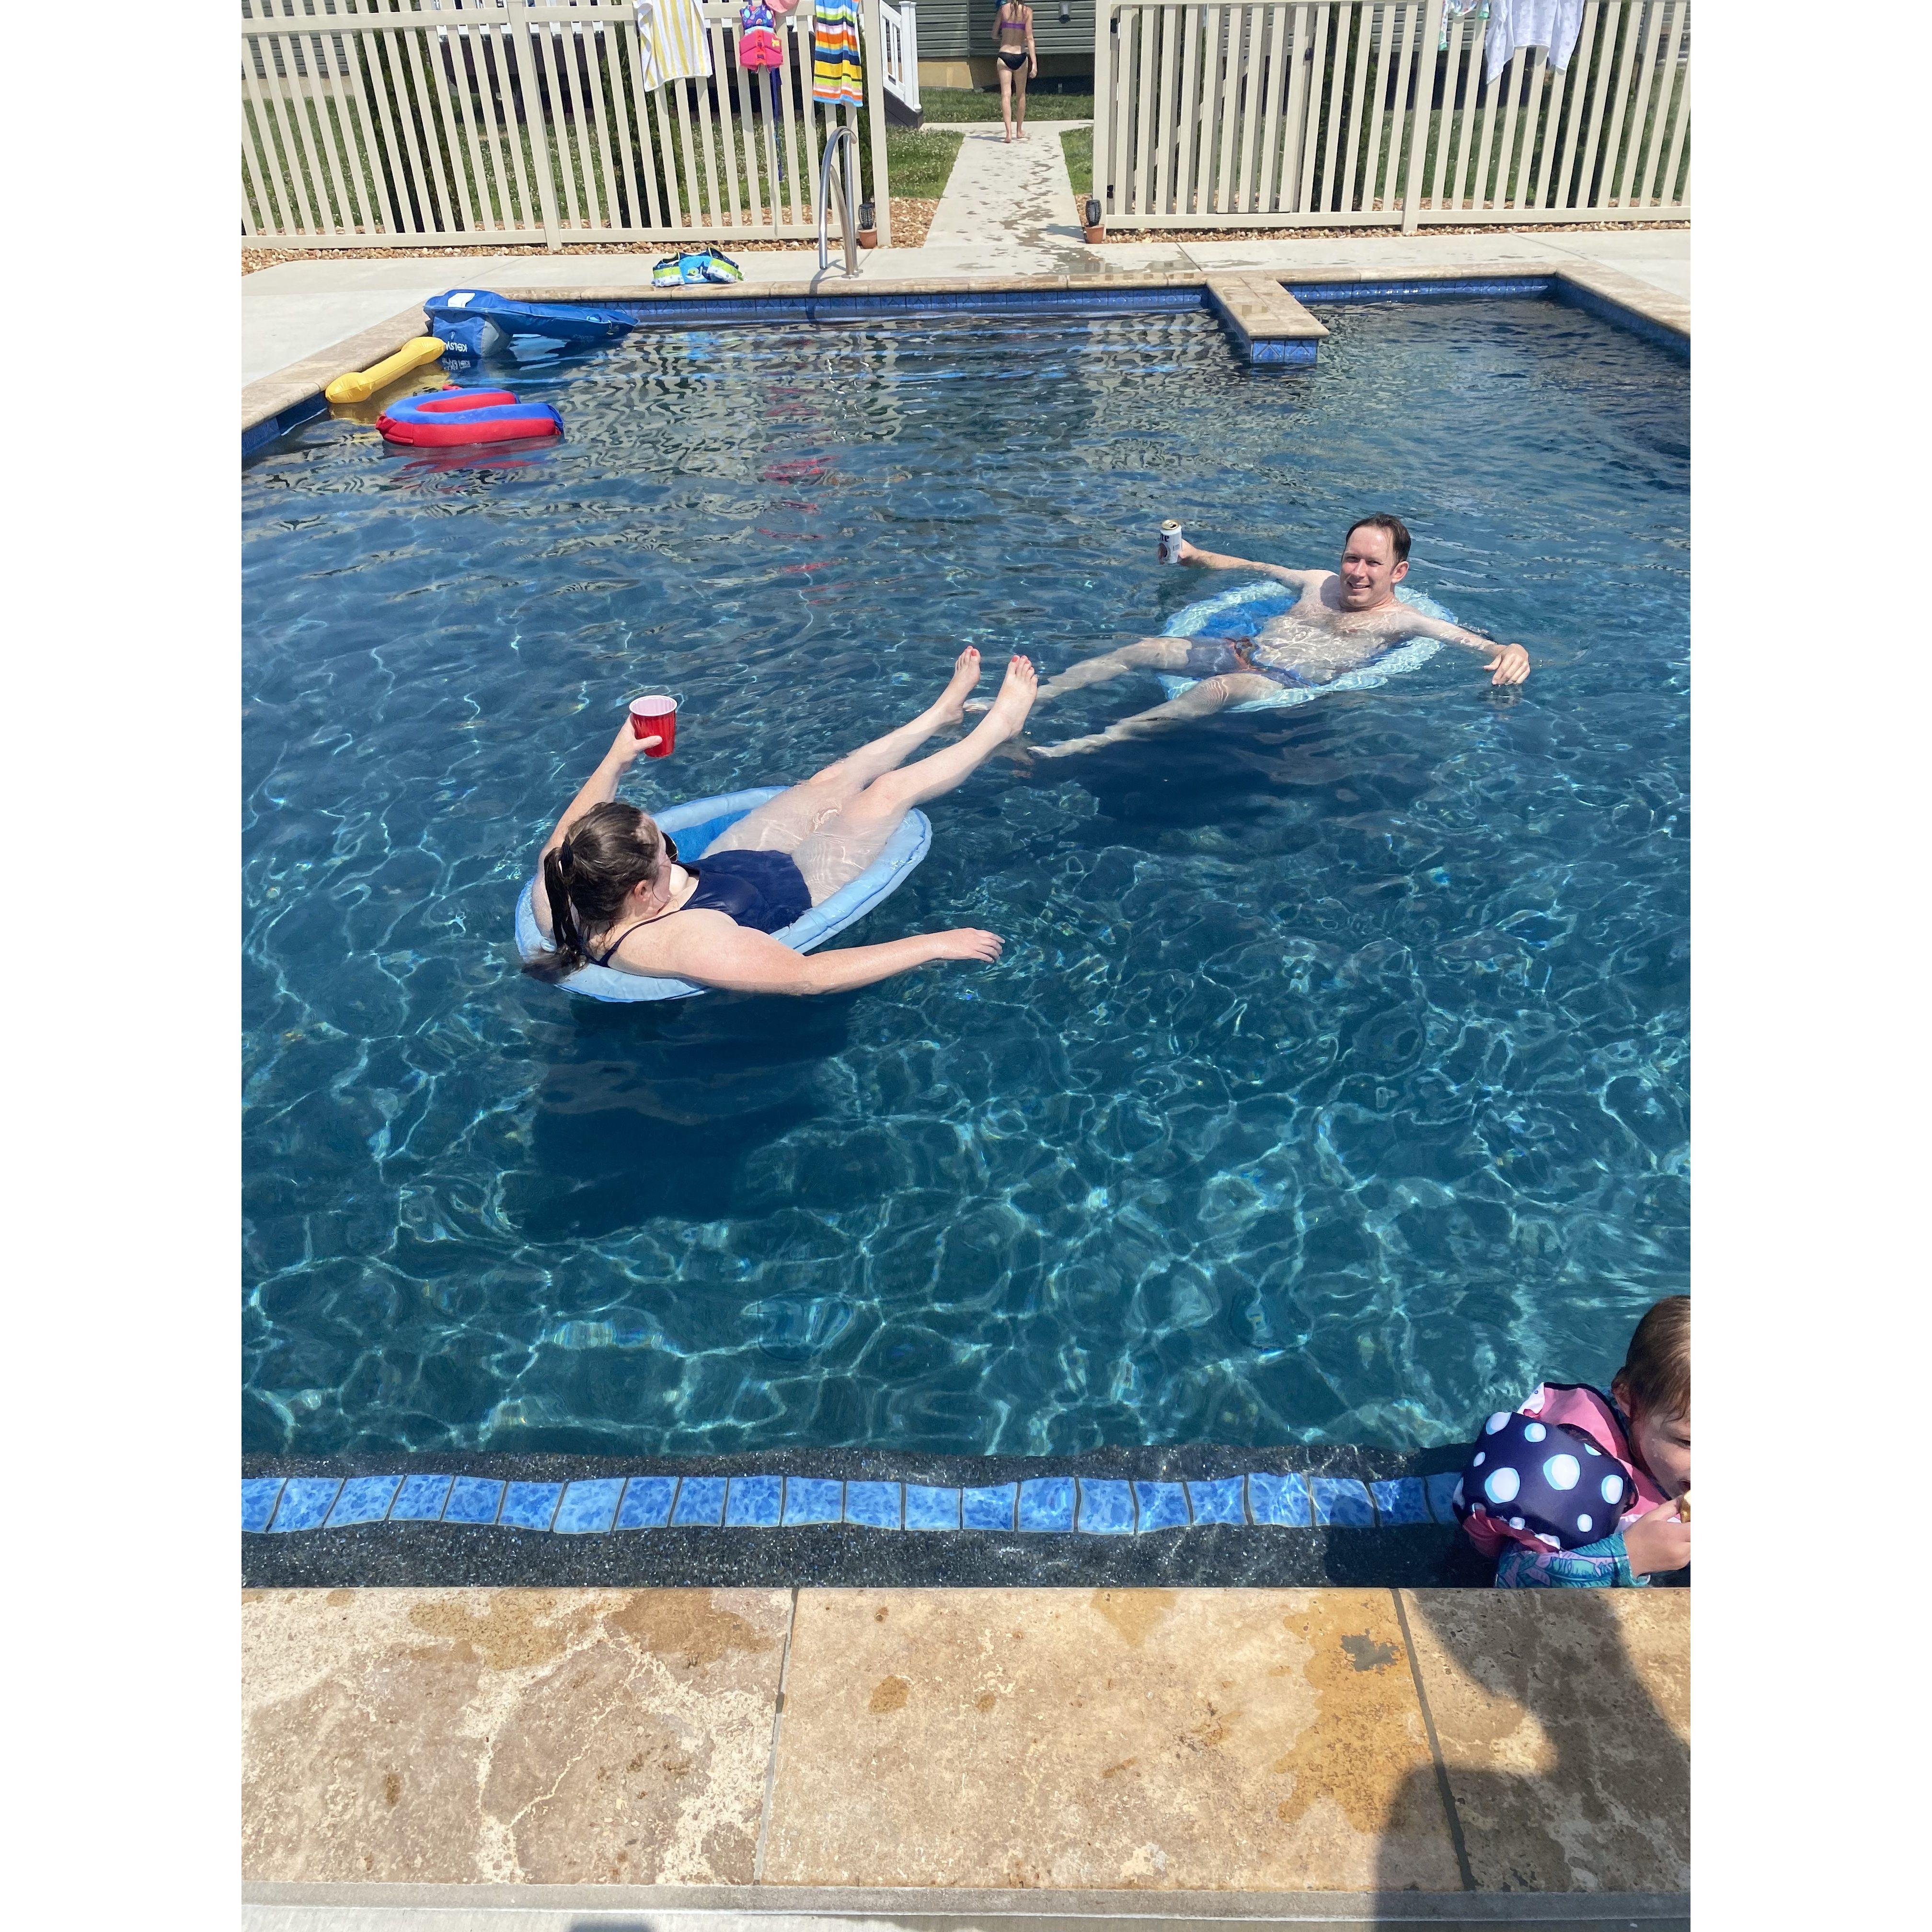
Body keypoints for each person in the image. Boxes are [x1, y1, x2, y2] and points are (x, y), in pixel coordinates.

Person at [527, 649, 1037, 995]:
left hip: (730, 867)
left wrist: (617, 758)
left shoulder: (564, 881)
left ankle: (939, 716)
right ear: (640, 891)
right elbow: (806, 977)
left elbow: (569, 832)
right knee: (887, 792)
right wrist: (934, 944)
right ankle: (997, 728)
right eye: (665, 848)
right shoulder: (679, 942)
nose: (670, 844)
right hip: (792, 890)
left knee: (829, 780)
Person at [1012, 514, 1532, 758]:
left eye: (1373, 563)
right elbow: (1247, 564)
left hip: (1280, 680)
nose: (1357, 571)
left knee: (1217, 692)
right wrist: (1194, 557)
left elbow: (1478, 643)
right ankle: (1037, 698)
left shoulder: (1407, 621)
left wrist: (1513, 652)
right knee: (1143, 650)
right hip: (1242, 650)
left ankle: (1087, 744)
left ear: (1398, 572)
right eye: (1352, 557)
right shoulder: (1316, 583)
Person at [1456, 1294, 1690, 1588]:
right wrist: (1630, 1557)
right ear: (1629, 1400)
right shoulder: (1573, 1468)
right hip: (1513, 1515)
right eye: (1688, 1443)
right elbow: (1514, 1576)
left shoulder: (1671, 1417)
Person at [992, 1, 1036, 144]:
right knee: (1021, 95)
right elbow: (1030, 38)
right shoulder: (1028, 12)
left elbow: (994, 34)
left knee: (1006, 95)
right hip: (1020, 55)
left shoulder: (1003, 10)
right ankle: (1019, 130)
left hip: (1004, 55)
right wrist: (1034, 63)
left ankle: (1008, 134)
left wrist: (1003, 36)